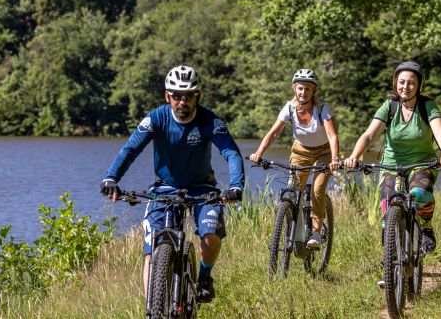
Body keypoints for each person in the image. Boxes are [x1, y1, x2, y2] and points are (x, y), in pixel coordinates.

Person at [100, 65, 245, 303]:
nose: (182, 102)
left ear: (198, 96)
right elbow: (130, 149)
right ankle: (153, 308)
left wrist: (236, 186)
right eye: (176, 96)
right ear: (167, 96)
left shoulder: (211, 121)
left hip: (203, 189)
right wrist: (111, 178)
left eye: (188, 96)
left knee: (210, 236)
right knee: (152, 253)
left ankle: (205, 276)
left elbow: (231, 153)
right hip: (164, 189)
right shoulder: (156, 118)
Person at [343, 61, 441, 278]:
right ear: (395, 83)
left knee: (420, 193)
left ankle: (426, 226)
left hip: (422, 163)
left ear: (419, 85)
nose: (406, 87)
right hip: (391, 164)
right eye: (402, 82)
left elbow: (440, 131)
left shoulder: (427, 106)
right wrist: (354, 156)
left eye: (411, 83)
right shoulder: (389, 106)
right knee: (387, 212)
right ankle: (391, 264)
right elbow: (368, 135)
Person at [249, 69, 341, 249]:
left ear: (313, 91)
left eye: (307, 89)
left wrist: (335, 158)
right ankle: (294, 228)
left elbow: (332, 135)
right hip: (300, 151)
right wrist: (259, 152)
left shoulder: (322, 109)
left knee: (317, 189)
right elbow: (274, 132)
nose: (303, 92)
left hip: (324, 152)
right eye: (300, 88)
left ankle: (315, 233)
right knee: (293, 188)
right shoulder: (289, 108)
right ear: (294, 88)